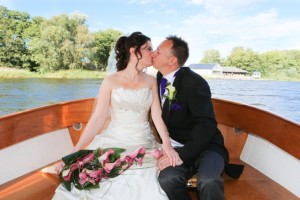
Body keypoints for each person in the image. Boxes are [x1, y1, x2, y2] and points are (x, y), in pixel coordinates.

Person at [52, 31, 180, 200]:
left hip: (143, 142)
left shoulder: (151, 81)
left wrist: (167, 145)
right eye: (148, 48)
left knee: (146, 183)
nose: (153, 52)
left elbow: (157, 116)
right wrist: (74, 153)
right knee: (100, 180)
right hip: (114, 139)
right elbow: (97, 119)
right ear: (134, 51)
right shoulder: (111, 81)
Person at [152, 35, 236, 200]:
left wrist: (182, 155)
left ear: (172, 61)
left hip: (207, 147)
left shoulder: (195, 83)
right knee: (168, 179)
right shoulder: (160, 78)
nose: (153, 53)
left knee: (209, 181)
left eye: (158, 51)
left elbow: (206, 126)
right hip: (177, 148)